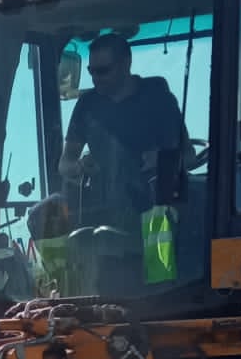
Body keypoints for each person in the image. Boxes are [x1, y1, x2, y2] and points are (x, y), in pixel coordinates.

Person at [57, 33, 184, 228]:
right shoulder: (87, 105)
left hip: (156, 215)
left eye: (103, 71)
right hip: (103, 218)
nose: (95, 78)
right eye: (92, 71)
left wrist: (161, 159)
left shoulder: (158, 99)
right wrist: (80, 166)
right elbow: (64, 164)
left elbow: (188, 155)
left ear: (126, 63)